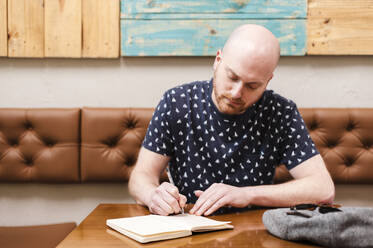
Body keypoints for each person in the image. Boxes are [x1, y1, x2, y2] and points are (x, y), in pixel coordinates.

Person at [129, 24, 335, 216]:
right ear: (218, 61)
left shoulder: (280, 112)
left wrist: (246, 194)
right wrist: (153, 196)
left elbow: (323, 189)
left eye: (252, 86)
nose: (237, 93)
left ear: (268, 81)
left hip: (254, 231)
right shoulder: (177, 102)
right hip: (188, 226)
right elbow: (141, 177)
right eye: (232, 77)